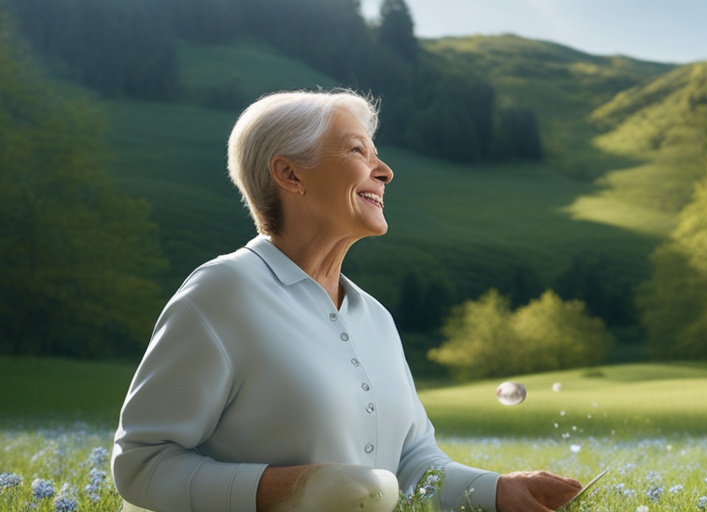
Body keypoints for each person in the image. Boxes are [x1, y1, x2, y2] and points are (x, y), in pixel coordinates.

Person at [111, 89, 582, 512]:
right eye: (358, 150)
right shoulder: (222, 293)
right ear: (290, 174)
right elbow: (141, 464)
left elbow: (412, 466)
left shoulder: (376, 318)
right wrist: (287, 489)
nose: (385, 171)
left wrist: (500, 491)